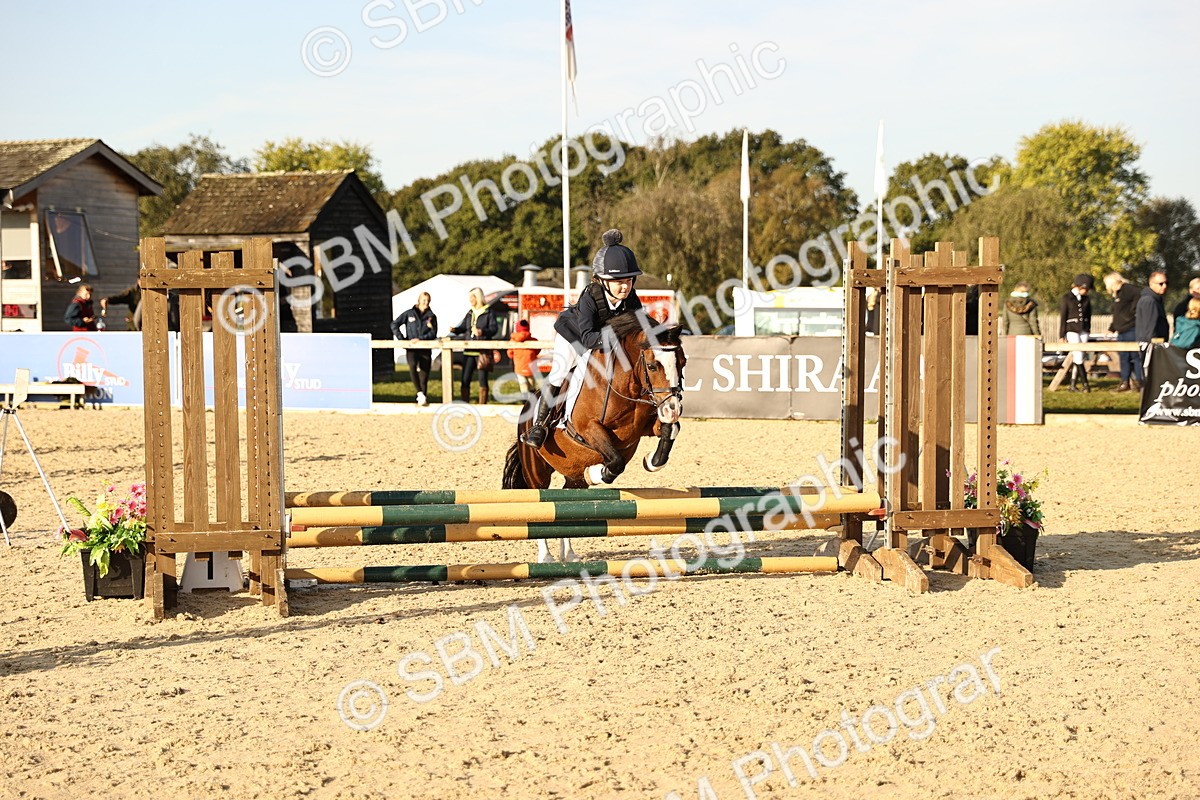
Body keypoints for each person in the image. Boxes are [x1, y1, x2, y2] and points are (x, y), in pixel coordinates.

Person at [522, 229, 644, 448]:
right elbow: (588, 339)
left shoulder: (631, 299)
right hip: (574, 336)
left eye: (628, 280)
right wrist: (617, 337)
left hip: (602, 339)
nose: (625, 286)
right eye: (618, 281)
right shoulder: (590, 296)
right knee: (561, 374)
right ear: (602, 281)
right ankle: (539, 425)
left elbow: (640, 328)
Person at [449, 287, 498, 404]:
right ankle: (465, 403)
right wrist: (455, 330)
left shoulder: (488, 312)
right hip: (468, 351)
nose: (470, 300)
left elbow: (494, 329)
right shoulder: (470, 312)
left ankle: (482, 404)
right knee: (465, 379)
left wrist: (482, 332)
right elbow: (464, 327)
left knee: (482, 380)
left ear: (478, 298)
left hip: (482, 352)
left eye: (472, 297)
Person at [391, 291, 437, 406]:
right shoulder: (409, 313)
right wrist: (402, 340)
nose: (426, 302)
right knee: (412, 366)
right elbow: (394, 324)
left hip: (425, 347)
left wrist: (420, 339)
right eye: (424, 300)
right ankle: (419, 392)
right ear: (419, 300)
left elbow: (433, 333)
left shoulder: (431, 316)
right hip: (411, 348)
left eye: (428, 300)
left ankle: (423, 397)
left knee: (424, 372)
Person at [1104, 272, 1142, 392]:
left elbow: (1138, 296)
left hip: (1131, 328)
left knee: (1135, 357)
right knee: (1124, 357)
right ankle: (1125, 382)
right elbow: (1117, 314)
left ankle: (1140, 382)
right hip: (1121, 330)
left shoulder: (1129, 289)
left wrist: (1132, 313)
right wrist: (1111, 328)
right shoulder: (1117, 295)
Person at [1058, 274, 1093, 392]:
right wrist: (1061, 335)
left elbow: (1088, 315)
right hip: (1071, 329)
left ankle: (1073, 383)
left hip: (1083, 329)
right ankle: (1085, 384)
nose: (1087, 291)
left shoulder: (1086, 299)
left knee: (1080, 357)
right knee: (1078, 355)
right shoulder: (1066, 298)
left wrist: (1088, 329)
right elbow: (1063, 317)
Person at [507, 319, 541, 397]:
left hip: (519, 367)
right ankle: (534, 400)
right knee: (532, 385)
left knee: (523, 385)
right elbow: (538, 350)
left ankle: (525, 402)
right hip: (531, 367)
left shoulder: (513, 340)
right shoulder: (534, 341)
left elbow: (509, 353)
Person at [1135, 271, 1169, 346]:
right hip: (1151, 346)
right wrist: (1153, 347)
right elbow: (1149, 329)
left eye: (1166, 283)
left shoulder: (1156, 299)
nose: (1164, 286)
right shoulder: (1149, 301)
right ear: (1151, 284)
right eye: (1161, 284)